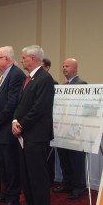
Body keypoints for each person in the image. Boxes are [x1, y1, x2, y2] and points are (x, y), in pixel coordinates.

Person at [12, 45, 55, 205]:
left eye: (23, 57)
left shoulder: (45, 78)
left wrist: (21, 125)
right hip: (24, 136)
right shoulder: (28, 78)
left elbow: (40, 108)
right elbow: (20, 104)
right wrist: (15, 120)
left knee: (38, 177)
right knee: (27, 176)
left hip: (36, 136)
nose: (21, 60)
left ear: (34, 58)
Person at [0, 47, 26, 205]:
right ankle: (6, 194)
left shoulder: (16, 75)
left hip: (7, 127)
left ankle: (13, 199)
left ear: (7, 59)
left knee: (11, 165)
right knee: (2, 164)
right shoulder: (3, 76)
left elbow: (12, 102)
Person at [52, 58, 87, 200]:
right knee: (64, 158)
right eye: (63, 66)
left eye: (67, 66)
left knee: (76, 160)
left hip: (75, 132)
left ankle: (79, 187)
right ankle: (67, 183)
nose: (64, 68)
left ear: (75, 69)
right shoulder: (62, 86)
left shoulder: (82, 84)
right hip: (62, 130)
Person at [42, 58, 58, 186]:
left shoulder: (54, 83)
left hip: (48, 125)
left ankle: (50, 178)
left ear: (47, 67)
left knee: (48, 155)